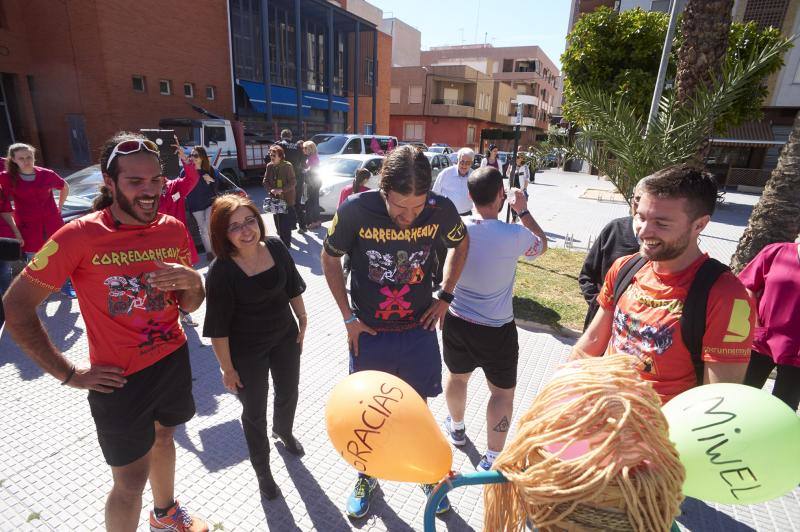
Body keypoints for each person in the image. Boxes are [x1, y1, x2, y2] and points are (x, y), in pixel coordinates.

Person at [3, 132, 208, 531]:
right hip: (119, 379)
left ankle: (164, 514)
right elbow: (15, 306)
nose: (149, 192)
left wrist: (194, 283)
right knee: (129, 482)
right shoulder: (78, 236)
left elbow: (190, 304)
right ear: (109, 182)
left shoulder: (172, 228)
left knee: (165, 437)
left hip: (172, 359)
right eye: (135, 182)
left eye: (155, 181)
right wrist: (69, 373)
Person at [320, 144, 469, 518]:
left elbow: (461, 242)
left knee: (416, 407)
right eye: (400, 207)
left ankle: (426, 472)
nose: (408, 217)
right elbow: (329, 256)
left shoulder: (439, 209)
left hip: (418, 330)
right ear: (383, 191)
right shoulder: (355, 209)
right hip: (370, 333)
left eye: (416, 209)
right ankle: (367, 474)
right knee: (368, 414)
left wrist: (446, 296)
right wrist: (347, 318)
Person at [572, 164, 754, 404]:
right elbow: (592, 342)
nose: (644, 231)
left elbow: (716, 401)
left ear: (699, 225)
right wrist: (558, 393)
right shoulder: (625, 267)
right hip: (602, 415)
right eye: (641, 216)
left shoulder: (726, 295)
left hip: (662, 433)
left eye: (661, 223)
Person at [442, 167, 547, 472]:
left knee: (457, 377)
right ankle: (491, 457)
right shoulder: (515, 235)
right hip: (497, 330)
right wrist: (523, 209)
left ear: (470, 196)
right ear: (502, 196)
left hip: (457, 320)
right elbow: (542, 245)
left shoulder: (457, 229)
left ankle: (457, 429)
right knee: (501, 393)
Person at [203, 195, 307, 500]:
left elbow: (292, 287)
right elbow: (218, 329)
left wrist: (302, 317)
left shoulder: (275, 246)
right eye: (234, 226)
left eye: (250, 220)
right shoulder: (220, 271)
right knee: (254, 412)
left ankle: (284, 431)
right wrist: (227, 368)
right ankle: (263, 472)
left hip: (285, 337)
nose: (246, 229)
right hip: (247, 351)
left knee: (289, 391)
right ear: (223, 233)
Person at [0, 143, 74, 298]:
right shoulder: (6, 178)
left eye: (29, 157)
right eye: (21, 158)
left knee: (60, 255)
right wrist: (16, 232)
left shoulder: (47, 174)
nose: (27, 161)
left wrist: (60, 206)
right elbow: (5, 206)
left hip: (52, 221)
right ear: (13, 160)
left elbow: (64, 186)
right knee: (34, 259)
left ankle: (65, 286)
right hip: (27, 225)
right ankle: (38, 290)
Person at [738, 242, 800, 411]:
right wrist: (755, 326)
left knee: (783, 410)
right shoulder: (776, 252)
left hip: (797, 356)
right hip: (761, 343)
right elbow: (746, 287)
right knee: (739, 400)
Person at [578, 183, 643, 330]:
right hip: (601, 324)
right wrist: (598, 304)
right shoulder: (614, 229)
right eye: (637, 198)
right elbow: (586, 275)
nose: (640, 206)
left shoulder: (662, 244)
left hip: (636, 330)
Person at [154, 137, 201, 327]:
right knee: (162, 282)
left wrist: (185, 159)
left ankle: (184, 312)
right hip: (156, 246)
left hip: (179, 245)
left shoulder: (173, 186)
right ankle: (166, 316)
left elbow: (192, 179)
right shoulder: (144, 191)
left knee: (185, 279)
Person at [431, 147, 474, 287]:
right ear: (457, 160)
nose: (464, 165)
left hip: (465, 217)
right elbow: (435, 195)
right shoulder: (446, 174)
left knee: (461, 250)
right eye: (462, 161)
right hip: (444, 217)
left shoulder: (474, 176)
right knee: (441, 249)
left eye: (467, 163)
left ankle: (456, 281)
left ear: (472, 163)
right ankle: (438, 281)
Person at [184, 146, 221, 261]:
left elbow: (216, 186)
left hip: (209, 202)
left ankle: (215, 251)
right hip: (195, 205)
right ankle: (209, 252)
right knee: (203, 229)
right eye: (191, 155)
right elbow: (181, 186)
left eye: (195, 155)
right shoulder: (186, 170)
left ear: (202, 157)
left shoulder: (209, 170)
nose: (193, 158)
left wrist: (210, 180)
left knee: (208, 226)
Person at [338, 168, 372, 281]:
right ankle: (357, 275)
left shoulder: (345, 189)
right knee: (360, 252)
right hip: (362, 227)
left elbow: (339, 209)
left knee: (349, 250)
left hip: (346, 225)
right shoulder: (368, 192)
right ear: (366, 179)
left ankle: (345, 270)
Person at [263, 145, 297, 248]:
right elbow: (265, 181)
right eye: (270, 155)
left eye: (274, 155)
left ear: (280, 156)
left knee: (285, 223)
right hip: (274, 198)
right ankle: (281, 240)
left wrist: (281, 190)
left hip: (286, 199)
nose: (271, 157)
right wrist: (271, 190)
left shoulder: (287, 166)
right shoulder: (269, 166)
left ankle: (286, 243)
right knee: (277, 221)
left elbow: (293, 182)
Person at [275, 129, 306, 233]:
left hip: (283, 179)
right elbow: (303, 162)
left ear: (281, 136)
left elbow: (268, 159)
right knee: (297, 202)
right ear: (291, 136)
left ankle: (285, 228)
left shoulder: (278, 145)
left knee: (282, 202)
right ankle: (302, 226)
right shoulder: (297, 146)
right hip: (297, 178)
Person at [0, 179, 23, 295]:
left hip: (2, 238)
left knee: (4, 271)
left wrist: (17, 233)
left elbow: (6, 212)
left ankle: (7, 300)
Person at [302, 140, 322, 229]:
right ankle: (317, 221)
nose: (303, 149)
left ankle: (314, 222)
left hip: (313, 182)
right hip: (315, 181)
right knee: (315, 201)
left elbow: (312, 170)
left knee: (312, 202)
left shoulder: (312, 158)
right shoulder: (314, 156)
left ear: (310, 148)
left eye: (305, 148)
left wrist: (304, 171)